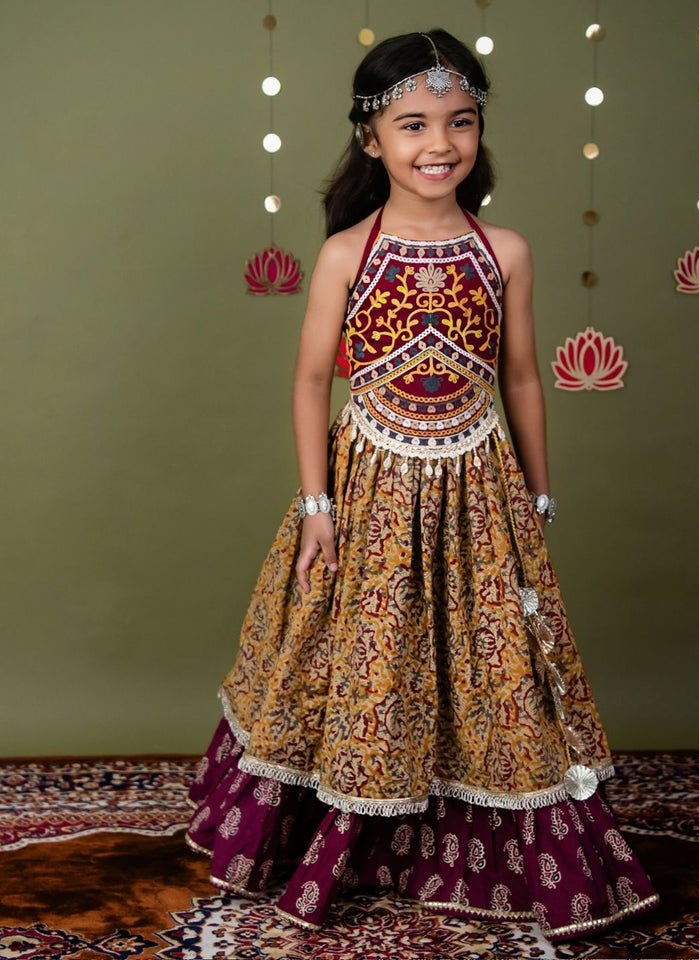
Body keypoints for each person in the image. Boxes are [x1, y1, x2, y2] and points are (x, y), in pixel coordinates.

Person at [186, 28, 659, 942]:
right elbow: (309, 381)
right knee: (367, 655)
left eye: (461, 122)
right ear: (372, 140)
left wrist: (539, 491)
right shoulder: (345, 254)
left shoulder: (505, 251)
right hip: (370, 484)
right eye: (413, 124)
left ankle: (462, 839)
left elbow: (520, 375)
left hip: (479, 483)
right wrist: (318, 505)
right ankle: (351, 834)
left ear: (480, 133)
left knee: (485, 659)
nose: (439, 143)